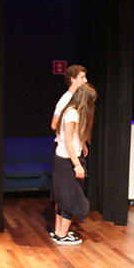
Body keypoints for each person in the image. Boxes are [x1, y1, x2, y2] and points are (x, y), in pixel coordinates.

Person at [52, 83, 97, 245]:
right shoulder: (72, 114)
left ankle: (59, 232)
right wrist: (77, 165)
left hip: (65, 159)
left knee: (64, 199)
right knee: (71, 199)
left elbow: (74, 137)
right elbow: (68, 141)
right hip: (68, 161)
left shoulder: (72, 111)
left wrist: (83, 144)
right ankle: (62, 235)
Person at [50, 65, 88, 238]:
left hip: (71, 147)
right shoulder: (66, 100)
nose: (85, 81)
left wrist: (81, 141)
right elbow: (54, 124)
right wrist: (69, 137)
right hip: (65, 150)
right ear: (72, 79)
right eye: (82, 77)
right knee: (66, 194)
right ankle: (60, 232)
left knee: (65, 194)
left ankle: (60, 231)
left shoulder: (77, 100)